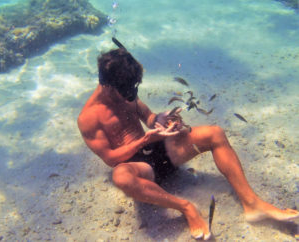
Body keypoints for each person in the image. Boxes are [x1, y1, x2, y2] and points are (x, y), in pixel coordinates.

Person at [77, 44, 299, 240]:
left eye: (134, 88)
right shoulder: (89, 117)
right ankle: (186, 208)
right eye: (127, 90)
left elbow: (148, 116)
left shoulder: (125, 89)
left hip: (158, 149)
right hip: (141, 170)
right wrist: (145, 138)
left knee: (215, 133)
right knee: (121, 177)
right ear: (107, 84)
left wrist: (159, 120)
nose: (132, 94)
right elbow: (110, 158)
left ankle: (252, 204)